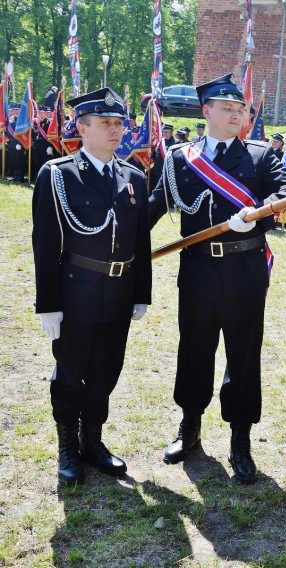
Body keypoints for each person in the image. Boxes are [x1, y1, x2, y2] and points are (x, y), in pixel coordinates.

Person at [148, 74, 286, 484]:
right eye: (228, 109)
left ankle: (240, 438)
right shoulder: (180, 157)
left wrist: (256, 212)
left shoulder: (259, 156)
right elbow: (152, 207)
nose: (237, 115)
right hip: (197, 272)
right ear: (207, 111)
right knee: (194, 352)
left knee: (243, 357)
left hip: (245, 272)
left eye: (242, 110)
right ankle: (190, 428)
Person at [32, 87, 152, 485]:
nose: (116, 130)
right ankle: (68, 445)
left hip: (118, 293)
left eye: (119, 123)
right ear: (82, 128)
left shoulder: (134, 176)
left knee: (106, 371)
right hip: (76, 289)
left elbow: (140, 241)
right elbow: (46, 243)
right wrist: (48, 305)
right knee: (71, 370)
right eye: (105, 123)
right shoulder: (59, 174)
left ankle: (93, 441)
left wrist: (141, 293)